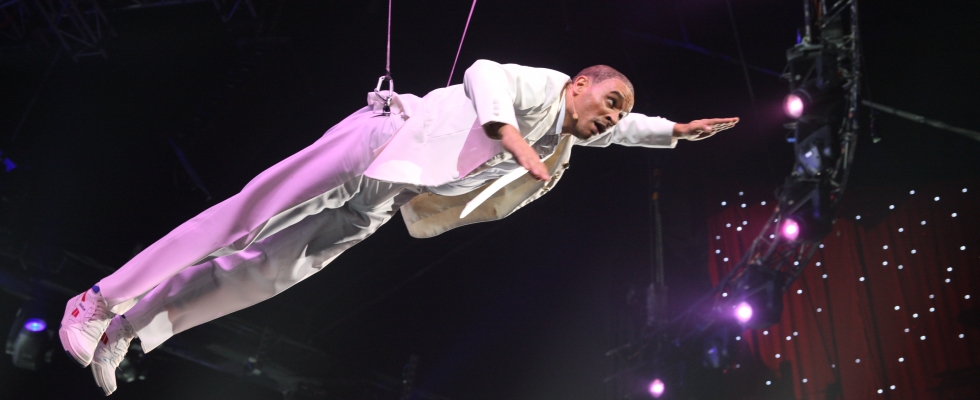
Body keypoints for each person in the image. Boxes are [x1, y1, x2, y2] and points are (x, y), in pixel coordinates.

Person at [58, 59, 737, 395]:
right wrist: (509, 137)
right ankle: (97, 301)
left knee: (263, 275)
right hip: (380, 143)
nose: (613, 116)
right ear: (580, 83)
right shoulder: (540, 87)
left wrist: (674, 130)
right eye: (610, 101)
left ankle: (128, 329)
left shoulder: (567, 132)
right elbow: (484, 72)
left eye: (621, 112)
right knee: (242, 221)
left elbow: (624, 132)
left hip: (385, 197)